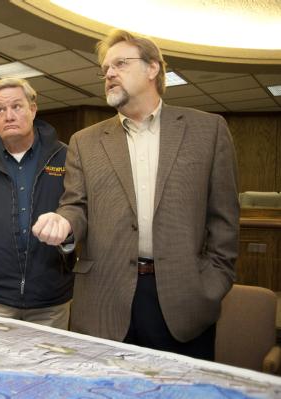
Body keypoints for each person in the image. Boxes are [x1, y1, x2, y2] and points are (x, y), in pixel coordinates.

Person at [32, 30, 239, 360]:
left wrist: (210, 288)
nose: (109, 73)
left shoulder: (208, 131)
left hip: (184, 299)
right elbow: (76, 205)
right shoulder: (85, 141)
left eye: (120, 64)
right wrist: (64, 223)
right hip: (104, 298)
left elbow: (224, 221)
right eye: (105, 69)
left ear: (153, 69)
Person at [0, 78, 74, 329]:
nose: (9, 115)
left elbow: (79, 211)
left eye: (17, 107)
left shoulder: (66, 157)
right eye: (0, 109)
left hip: (50, 298)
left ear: (32, 109)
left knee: (47, 367)